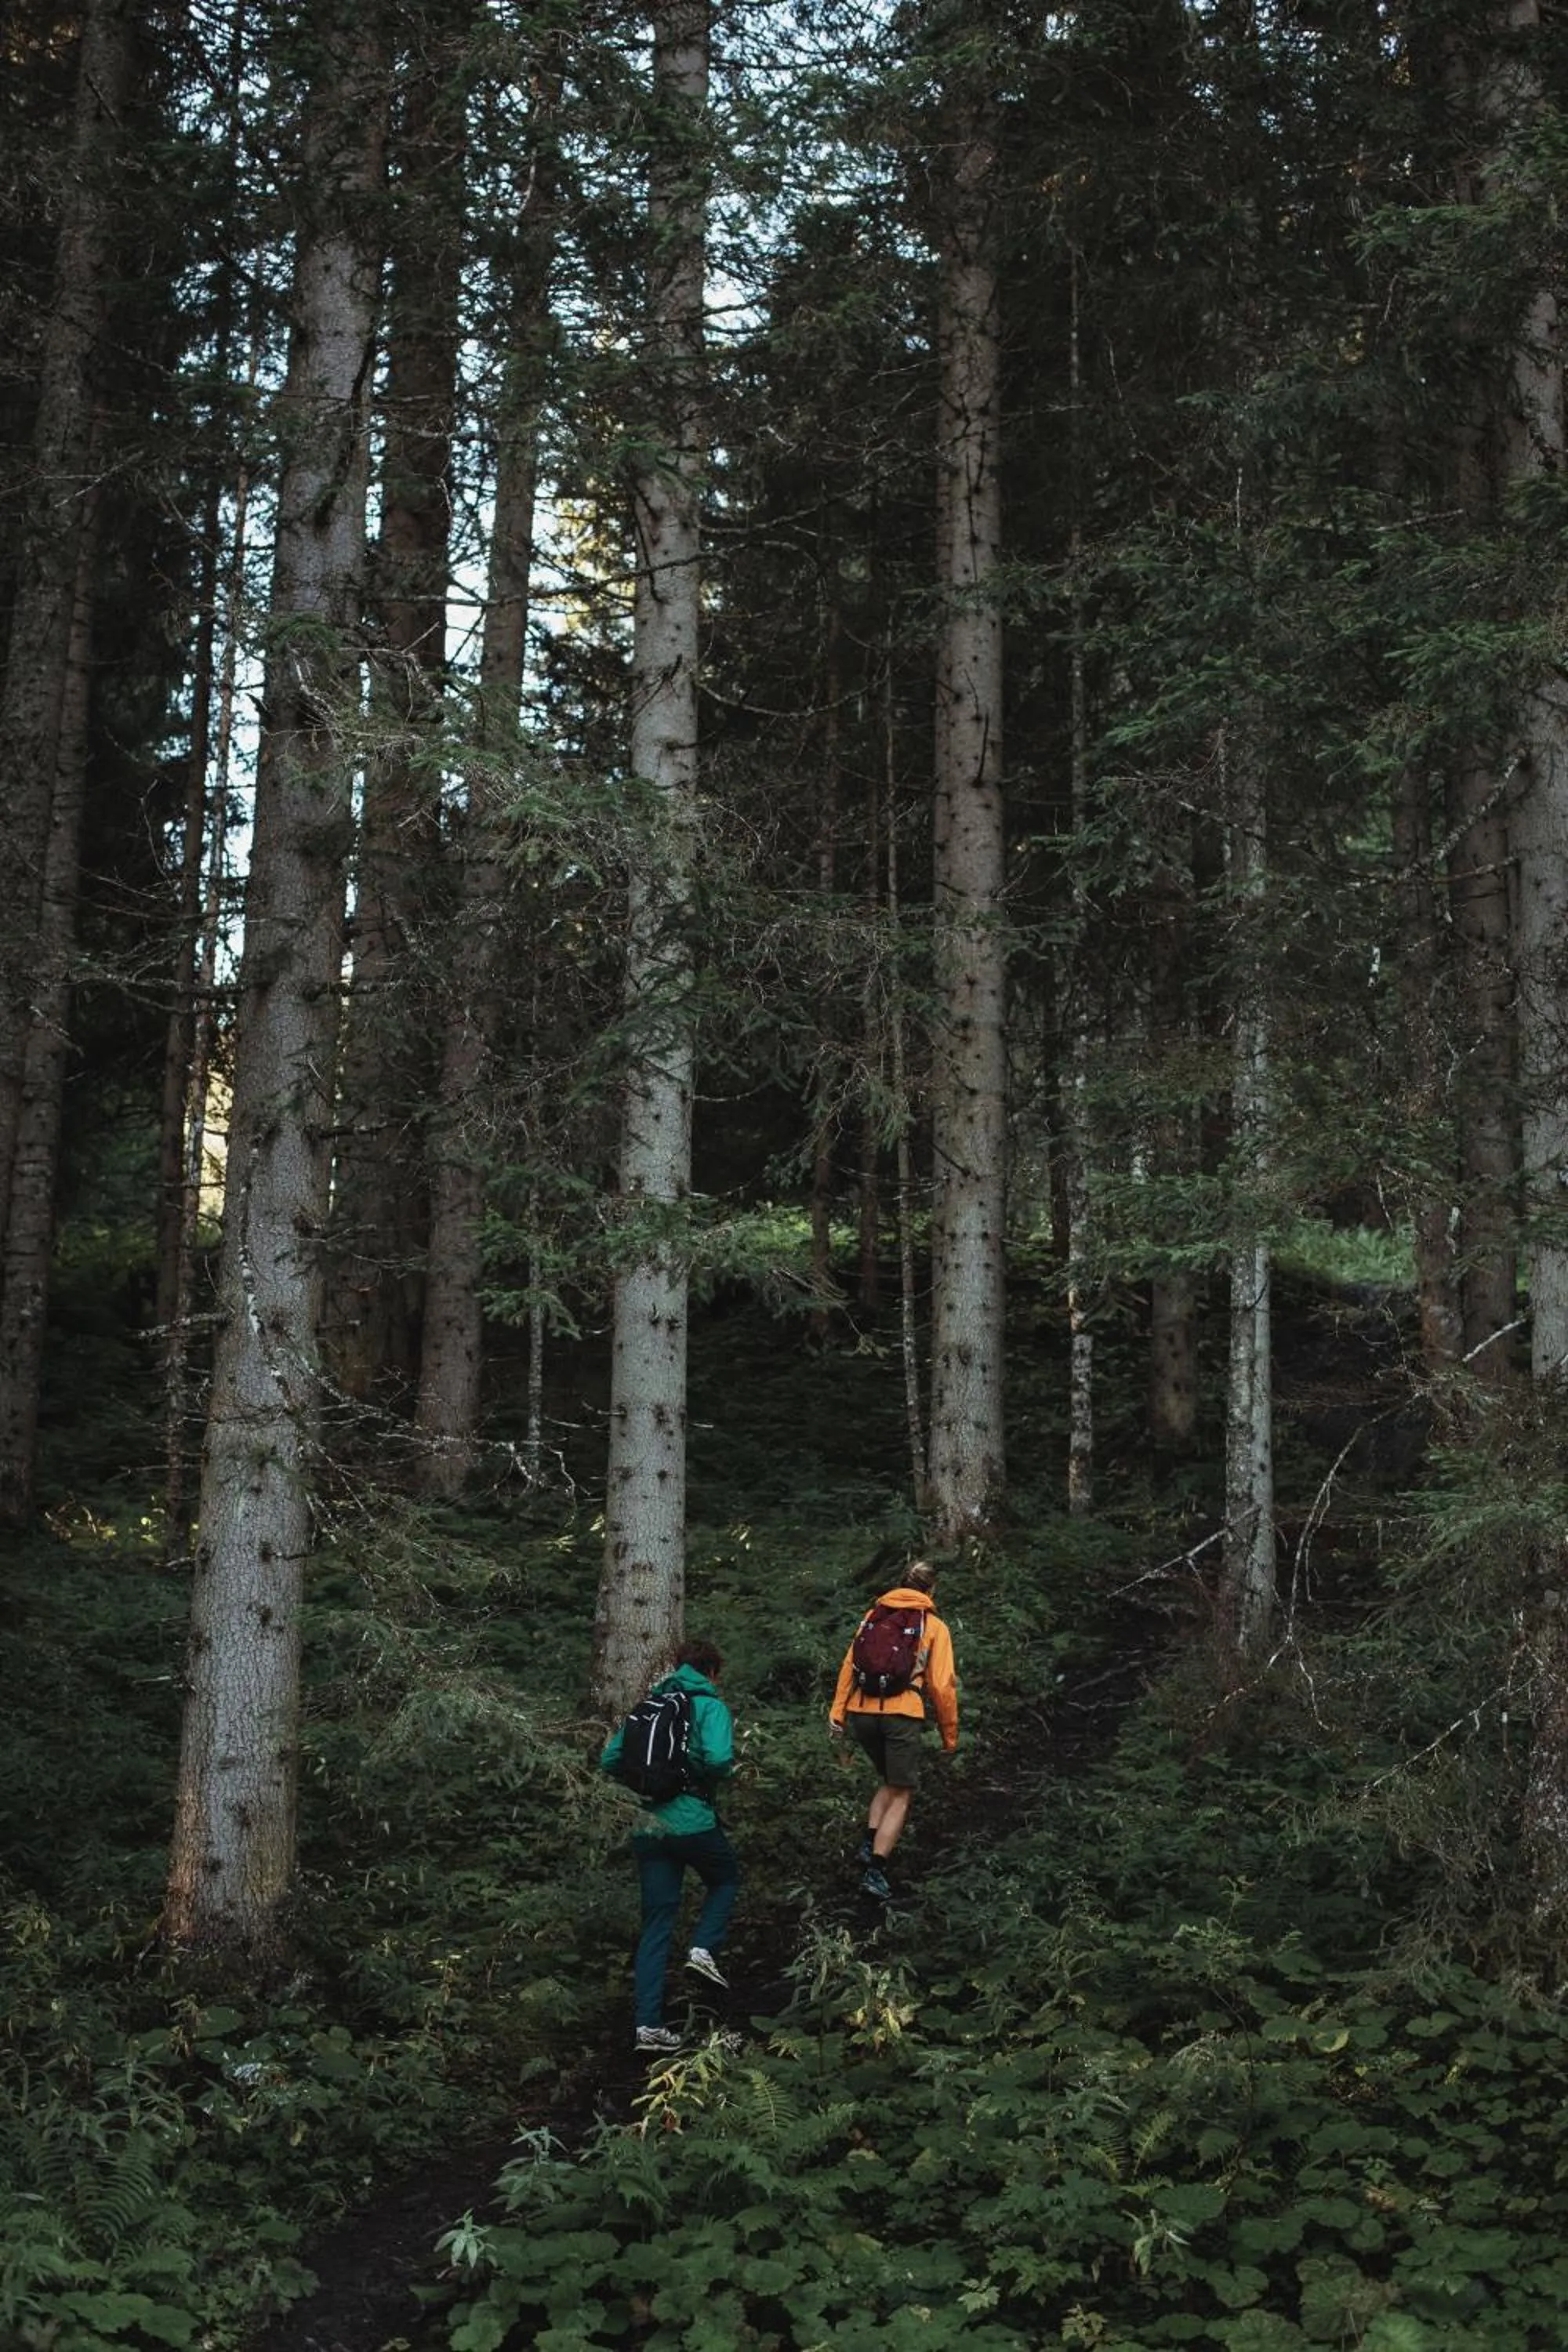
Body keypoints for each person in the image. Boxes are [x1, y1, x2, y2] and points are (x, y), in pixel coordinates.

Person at [600, 1639, 740, 2053]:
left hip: (649, 1827)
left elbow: (610, 1760)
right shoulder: (709, 1705)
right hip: (691, 1819)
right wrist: (700, 1780)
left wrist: (652, 1783)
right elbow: (717, 1758)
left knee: (657, 1924)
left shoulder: (649, 1707)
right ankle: (703, 1949)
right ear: (712, 1671)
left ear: (678, 1666)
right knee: (726, 1878)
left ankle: (648, 2028)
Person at [828, 1559, 958, 1900]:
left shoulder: (873, 1618)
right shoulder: (933, 1625)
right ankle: (876, 1871)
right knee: (902, 1791)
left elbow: (849, 1665)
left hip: (861, 1712)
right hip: (902, 1713)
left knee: (890, 1780)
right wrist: (950, 1735)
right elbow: (943, 1686)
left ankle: (869, 1843)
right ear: (931, 1589)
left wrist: (837, 1712)